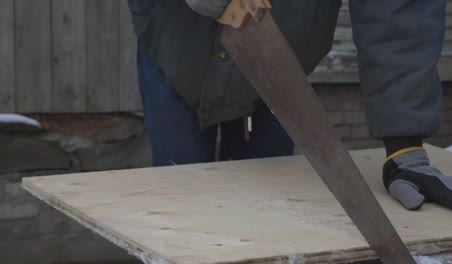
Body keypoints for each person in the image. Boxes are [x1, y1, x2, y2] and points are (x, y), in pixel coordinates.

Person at [128, 0, 452, 211]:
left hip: (278, 66)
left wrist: (403, 148)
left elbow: (398, 10)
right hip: (176, 49)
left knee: (267, 218)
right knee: (179, 214)